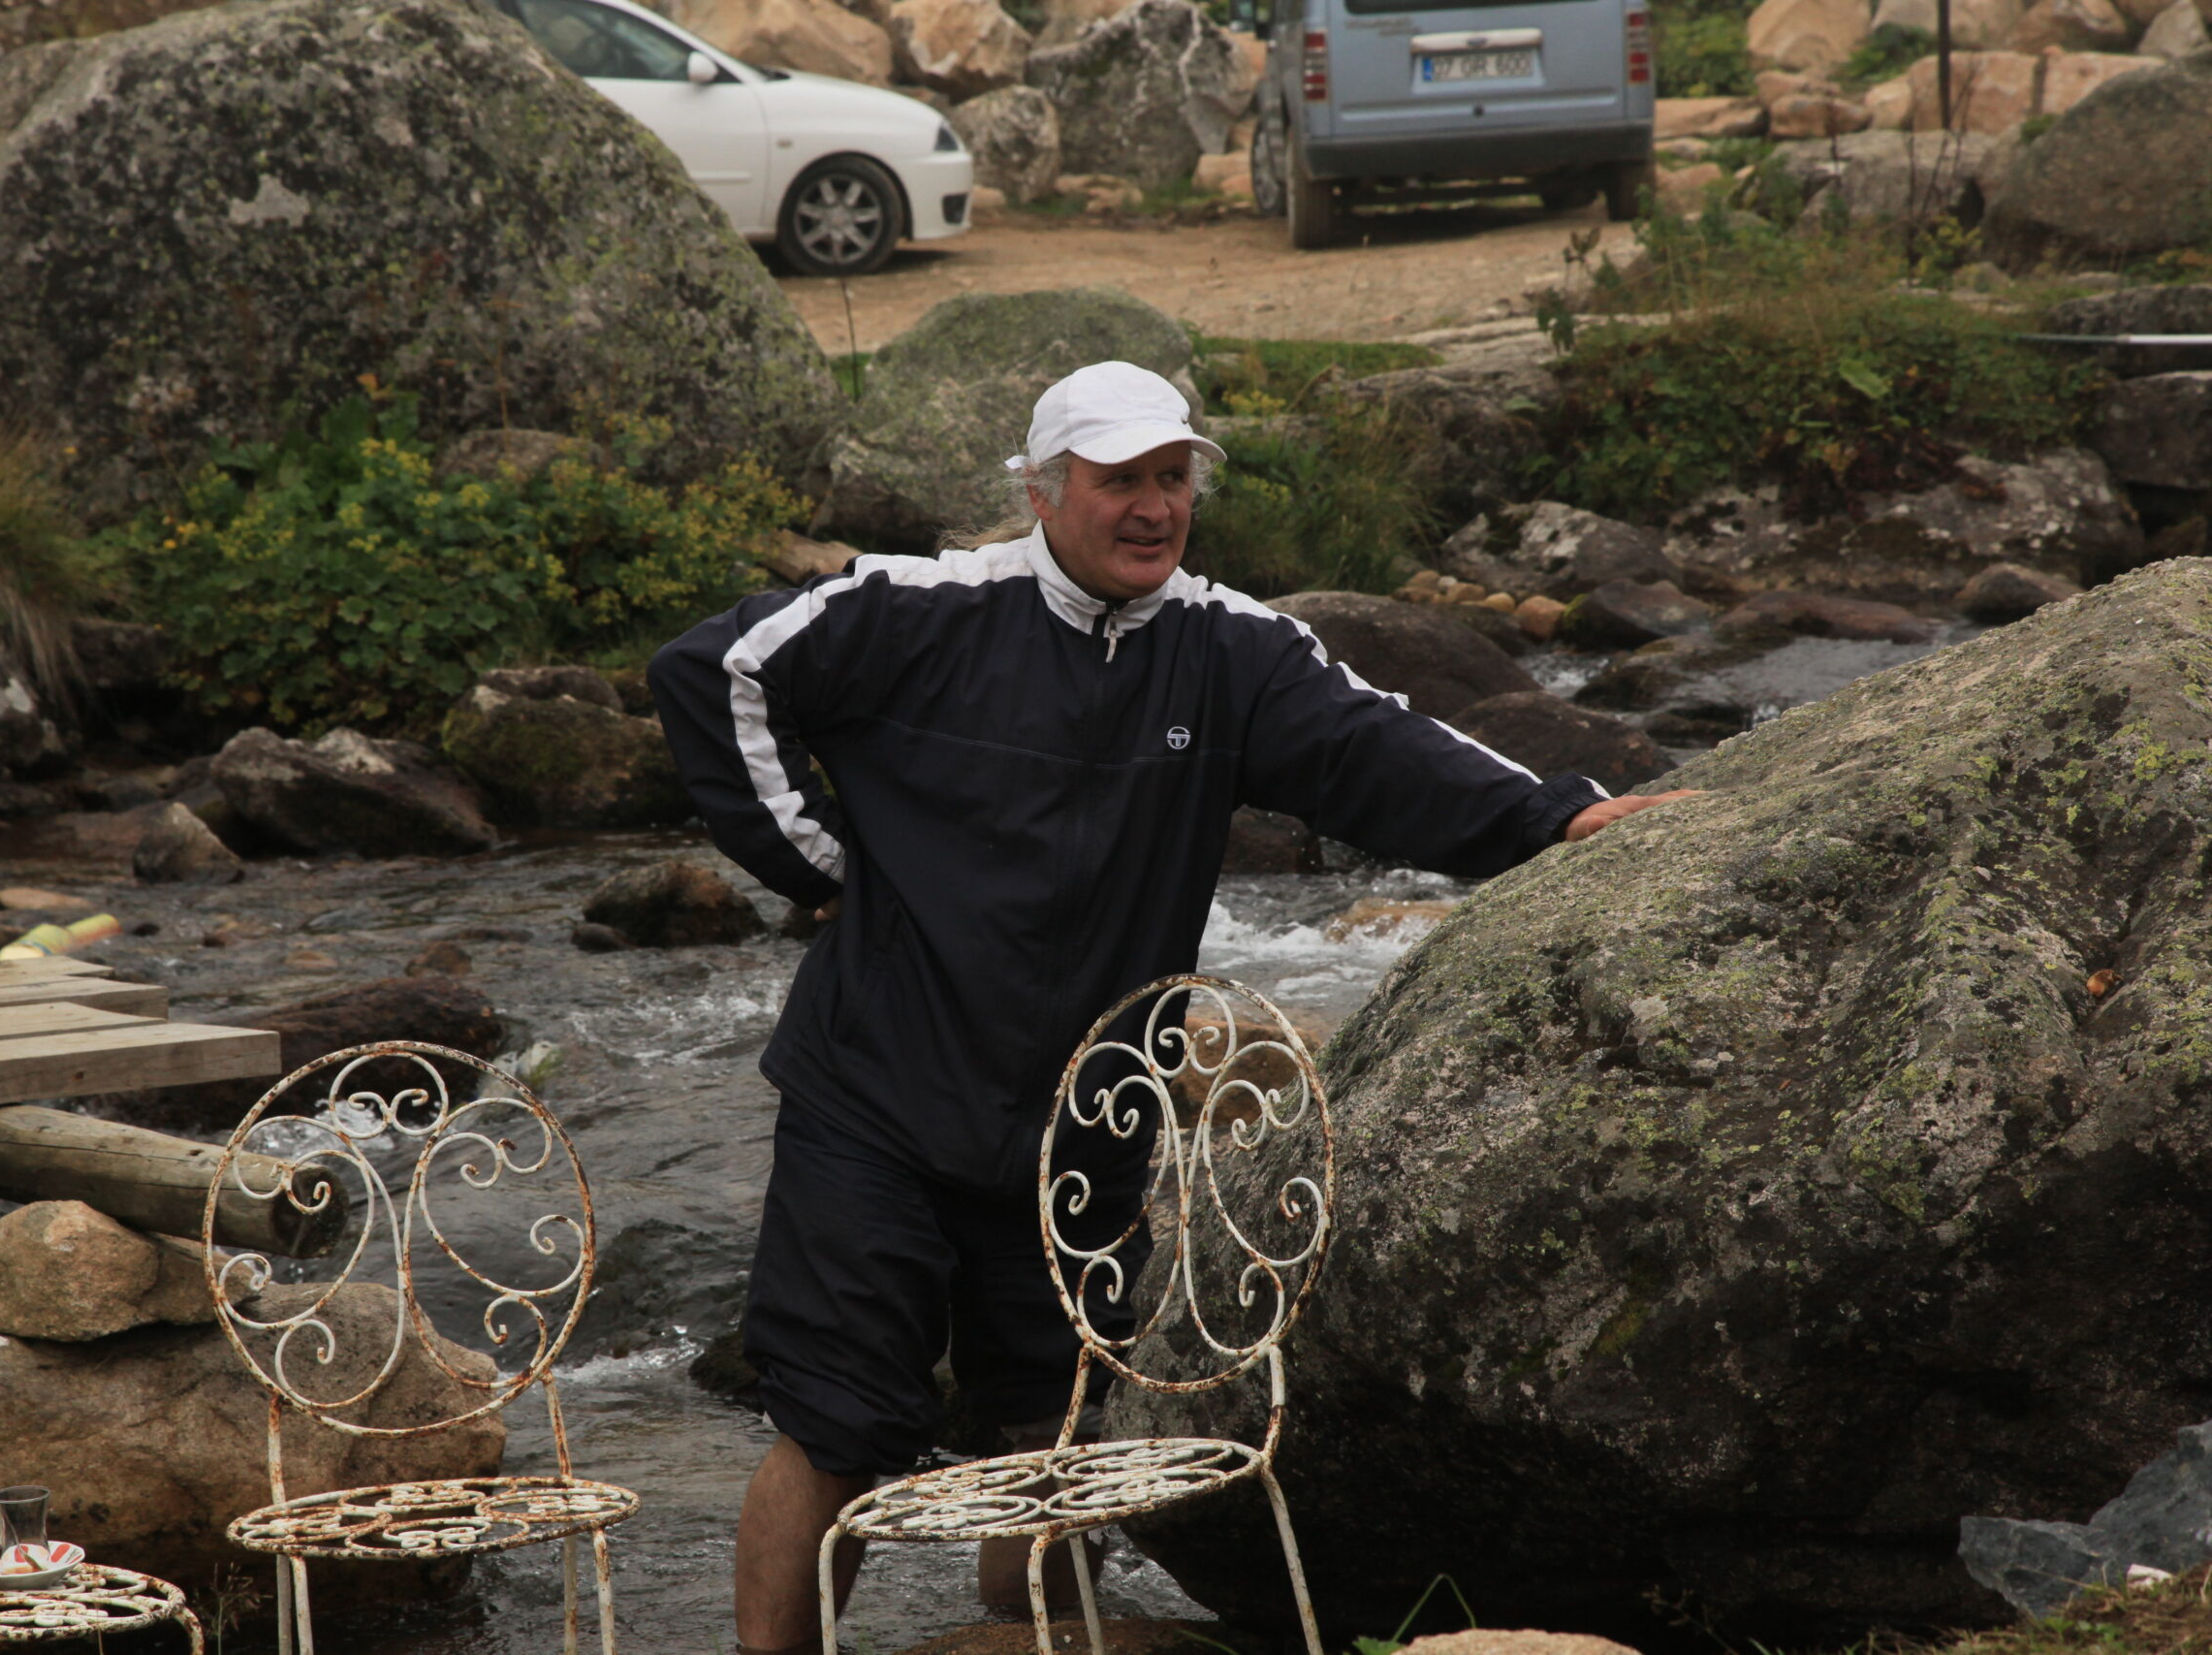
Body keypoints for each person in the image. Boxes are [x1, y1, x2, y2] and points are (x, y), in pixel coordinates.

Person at [648, 361, 1693, 1654]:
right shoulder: (917, 608)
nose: (1151, 508)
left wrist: (1560, 815)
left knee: (1058, 1432)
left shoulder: (1232, 651)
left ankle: (1038, 1645)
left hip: (1084, 1114)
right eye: (1118, 480)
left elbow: (1383, 749)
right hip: (878, 1096)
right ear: (1042, 490)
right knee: (839, 1425)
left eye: (1170, 478)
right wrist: (816, 868)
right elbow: (713, 669)